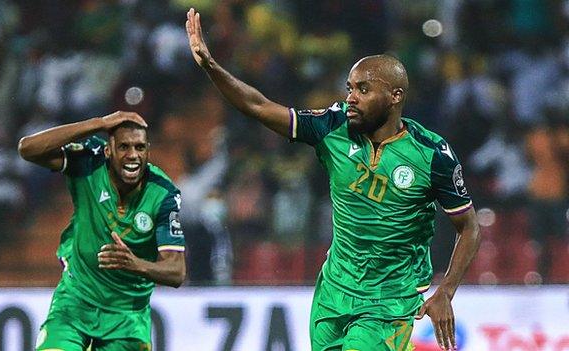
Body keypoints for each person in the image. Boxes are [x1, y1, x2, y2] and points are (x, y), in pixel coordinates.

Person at [186, 8, 480, 351]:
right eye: (349, 87)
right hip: (334, 292)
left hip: (390, 300)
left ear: (395, 96)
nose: (350, 97)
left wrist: (445, 289)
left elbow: (469, 226)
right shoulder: (333, 127)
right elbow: (259, 106)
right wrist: (211, 66)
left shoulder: (432, 154)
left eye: (364, 89)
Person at [18, 111, 186, 351]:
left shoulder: (163, 193)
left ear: (148, 151)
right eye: (124, 147)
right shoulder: (88, 161)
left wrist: (134, 264)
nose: (132, 156)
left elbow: (176, 271)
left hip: (127, 316)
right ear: (109, 150)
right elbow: (28, 149)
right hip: (75, 304)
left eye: (139, 148)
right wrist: (99, 123)